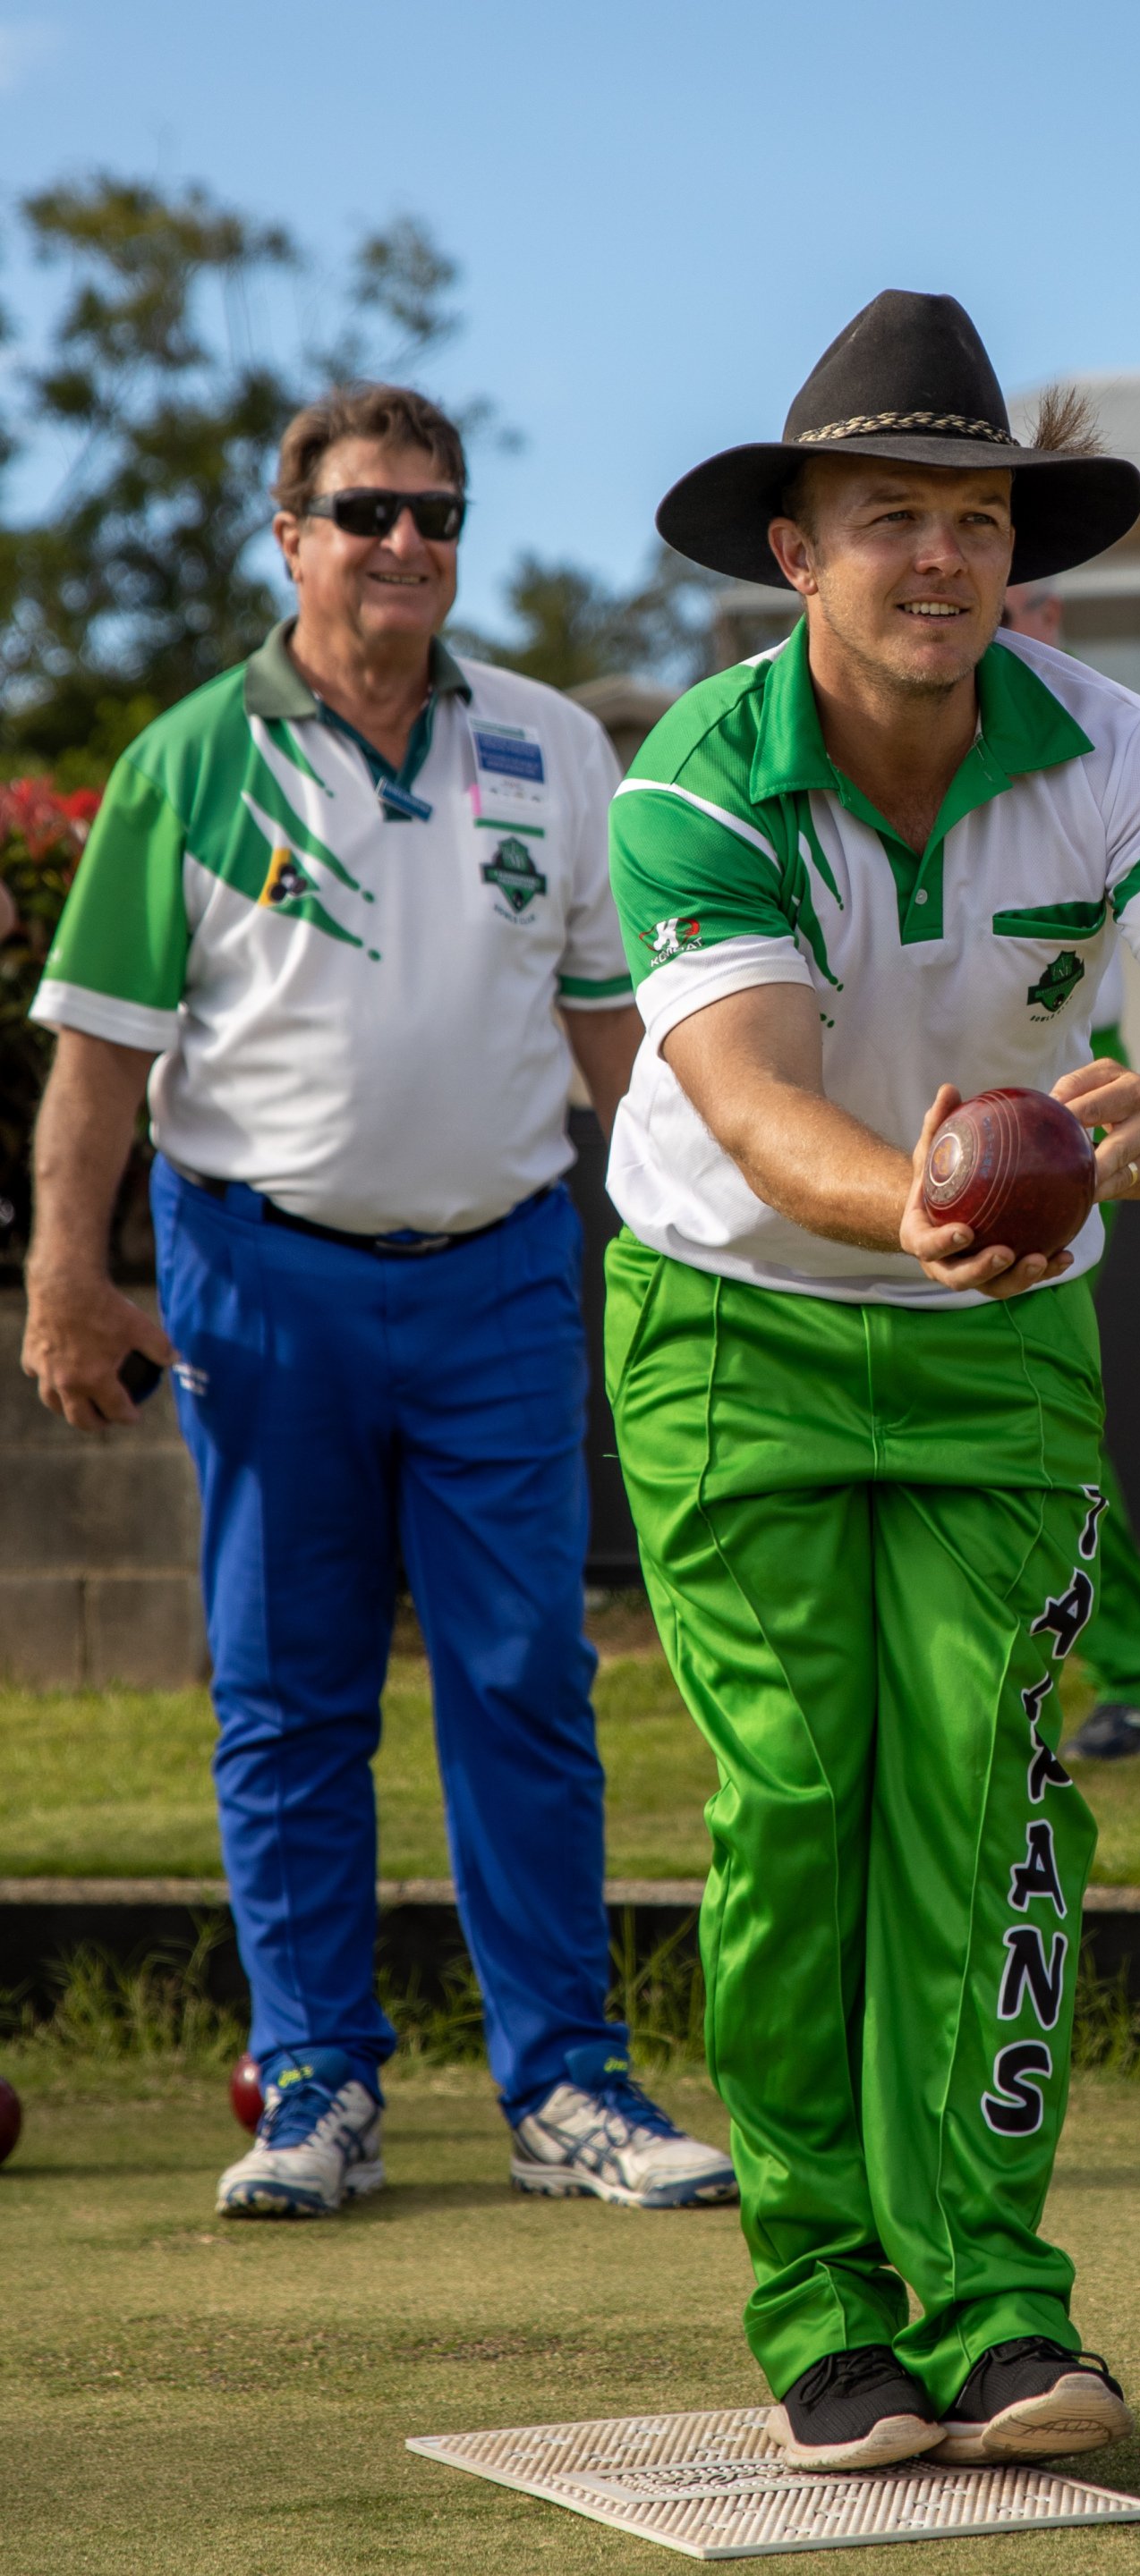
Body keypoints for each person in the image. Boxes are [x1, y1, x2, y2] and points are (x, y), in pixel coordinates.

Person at [603, 292, 1140, 2470]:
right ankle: (824, 2302)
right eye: (889, 516)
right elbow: (752, 1105)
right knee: (799, 1796)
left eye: (978, 520)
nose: (940, 557)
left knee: (987, 1799)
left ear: (1018, 552)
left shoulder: (1109, 740)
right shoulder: (695, 776)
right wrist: (907, 1203)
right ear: (795, 553)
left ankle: (999, 2306)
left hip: (1004, 1341)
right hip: (735, 1321)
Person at [21, 381, 735, 2222]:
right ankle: (318, 2085)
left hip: (503, 1267)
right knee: (288, 1694)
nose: (407, 542)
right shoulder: (190, 759)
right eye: (368, 512)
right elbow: (101, 1055)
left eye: (439, 513)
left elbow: (611, 1030)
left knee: (525, 1681)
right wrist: (68, 1275)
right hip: (259, 1280)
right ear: (293, 538)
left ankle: (565, 2088)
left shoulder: (557, 746)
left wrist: (712, 1226)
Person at [1001, 580, 1140, 1762]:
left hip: (1059, 1086)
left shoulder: (1108, 740)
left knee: (1041, 1408)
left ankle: (1139, 1670)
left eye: (1034, 600)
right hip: (898, 1109)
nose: (1018, 622)